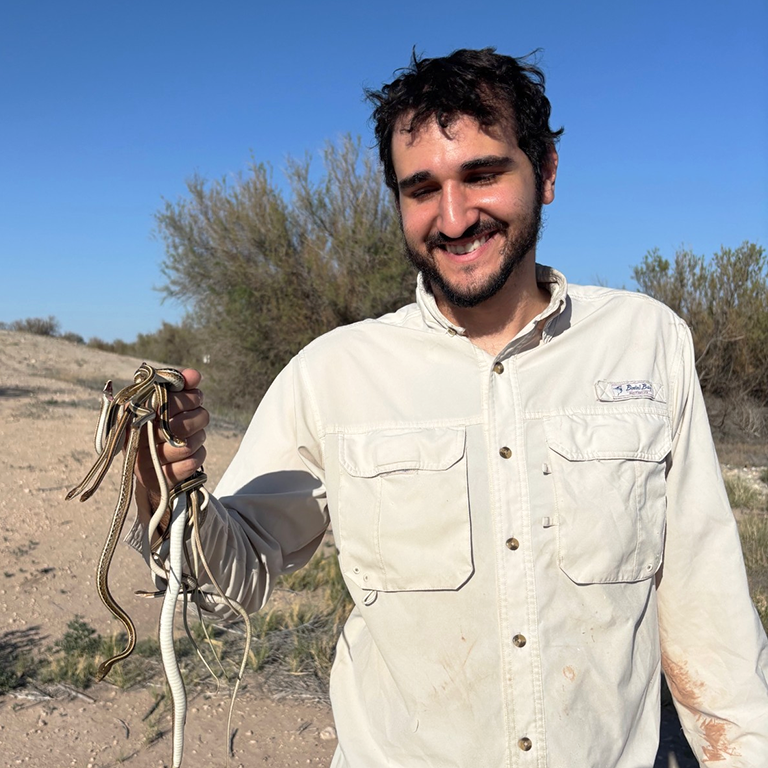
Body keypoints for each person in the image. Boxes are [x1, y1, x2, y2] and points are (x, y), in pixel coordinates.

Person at [128, 48, 768, 767]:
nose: (454, 216)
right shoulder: (333, 373)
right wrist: (165, 485)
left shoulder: (647, 342)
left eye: (483, 174)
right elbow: (231, 581)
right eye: (422, 188)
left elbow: (709, 611)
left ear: (547, 172)